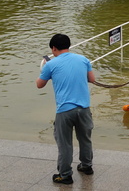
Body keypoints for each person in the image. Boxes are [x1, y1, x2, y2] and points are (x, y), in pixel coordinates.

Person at [36, 34, 95, 185]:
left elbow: (39, 84)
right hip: (84, 109)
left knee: (65, 144)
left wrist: (43, 68)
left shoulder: (51, 64)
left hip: (65, 110)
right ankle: (87, 166)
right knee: (85, 139)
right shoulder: (83, 59)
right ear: (68, 46)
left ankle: (65, 175)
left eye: (53, 50)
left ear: (54, 48)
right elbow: (92, 79)